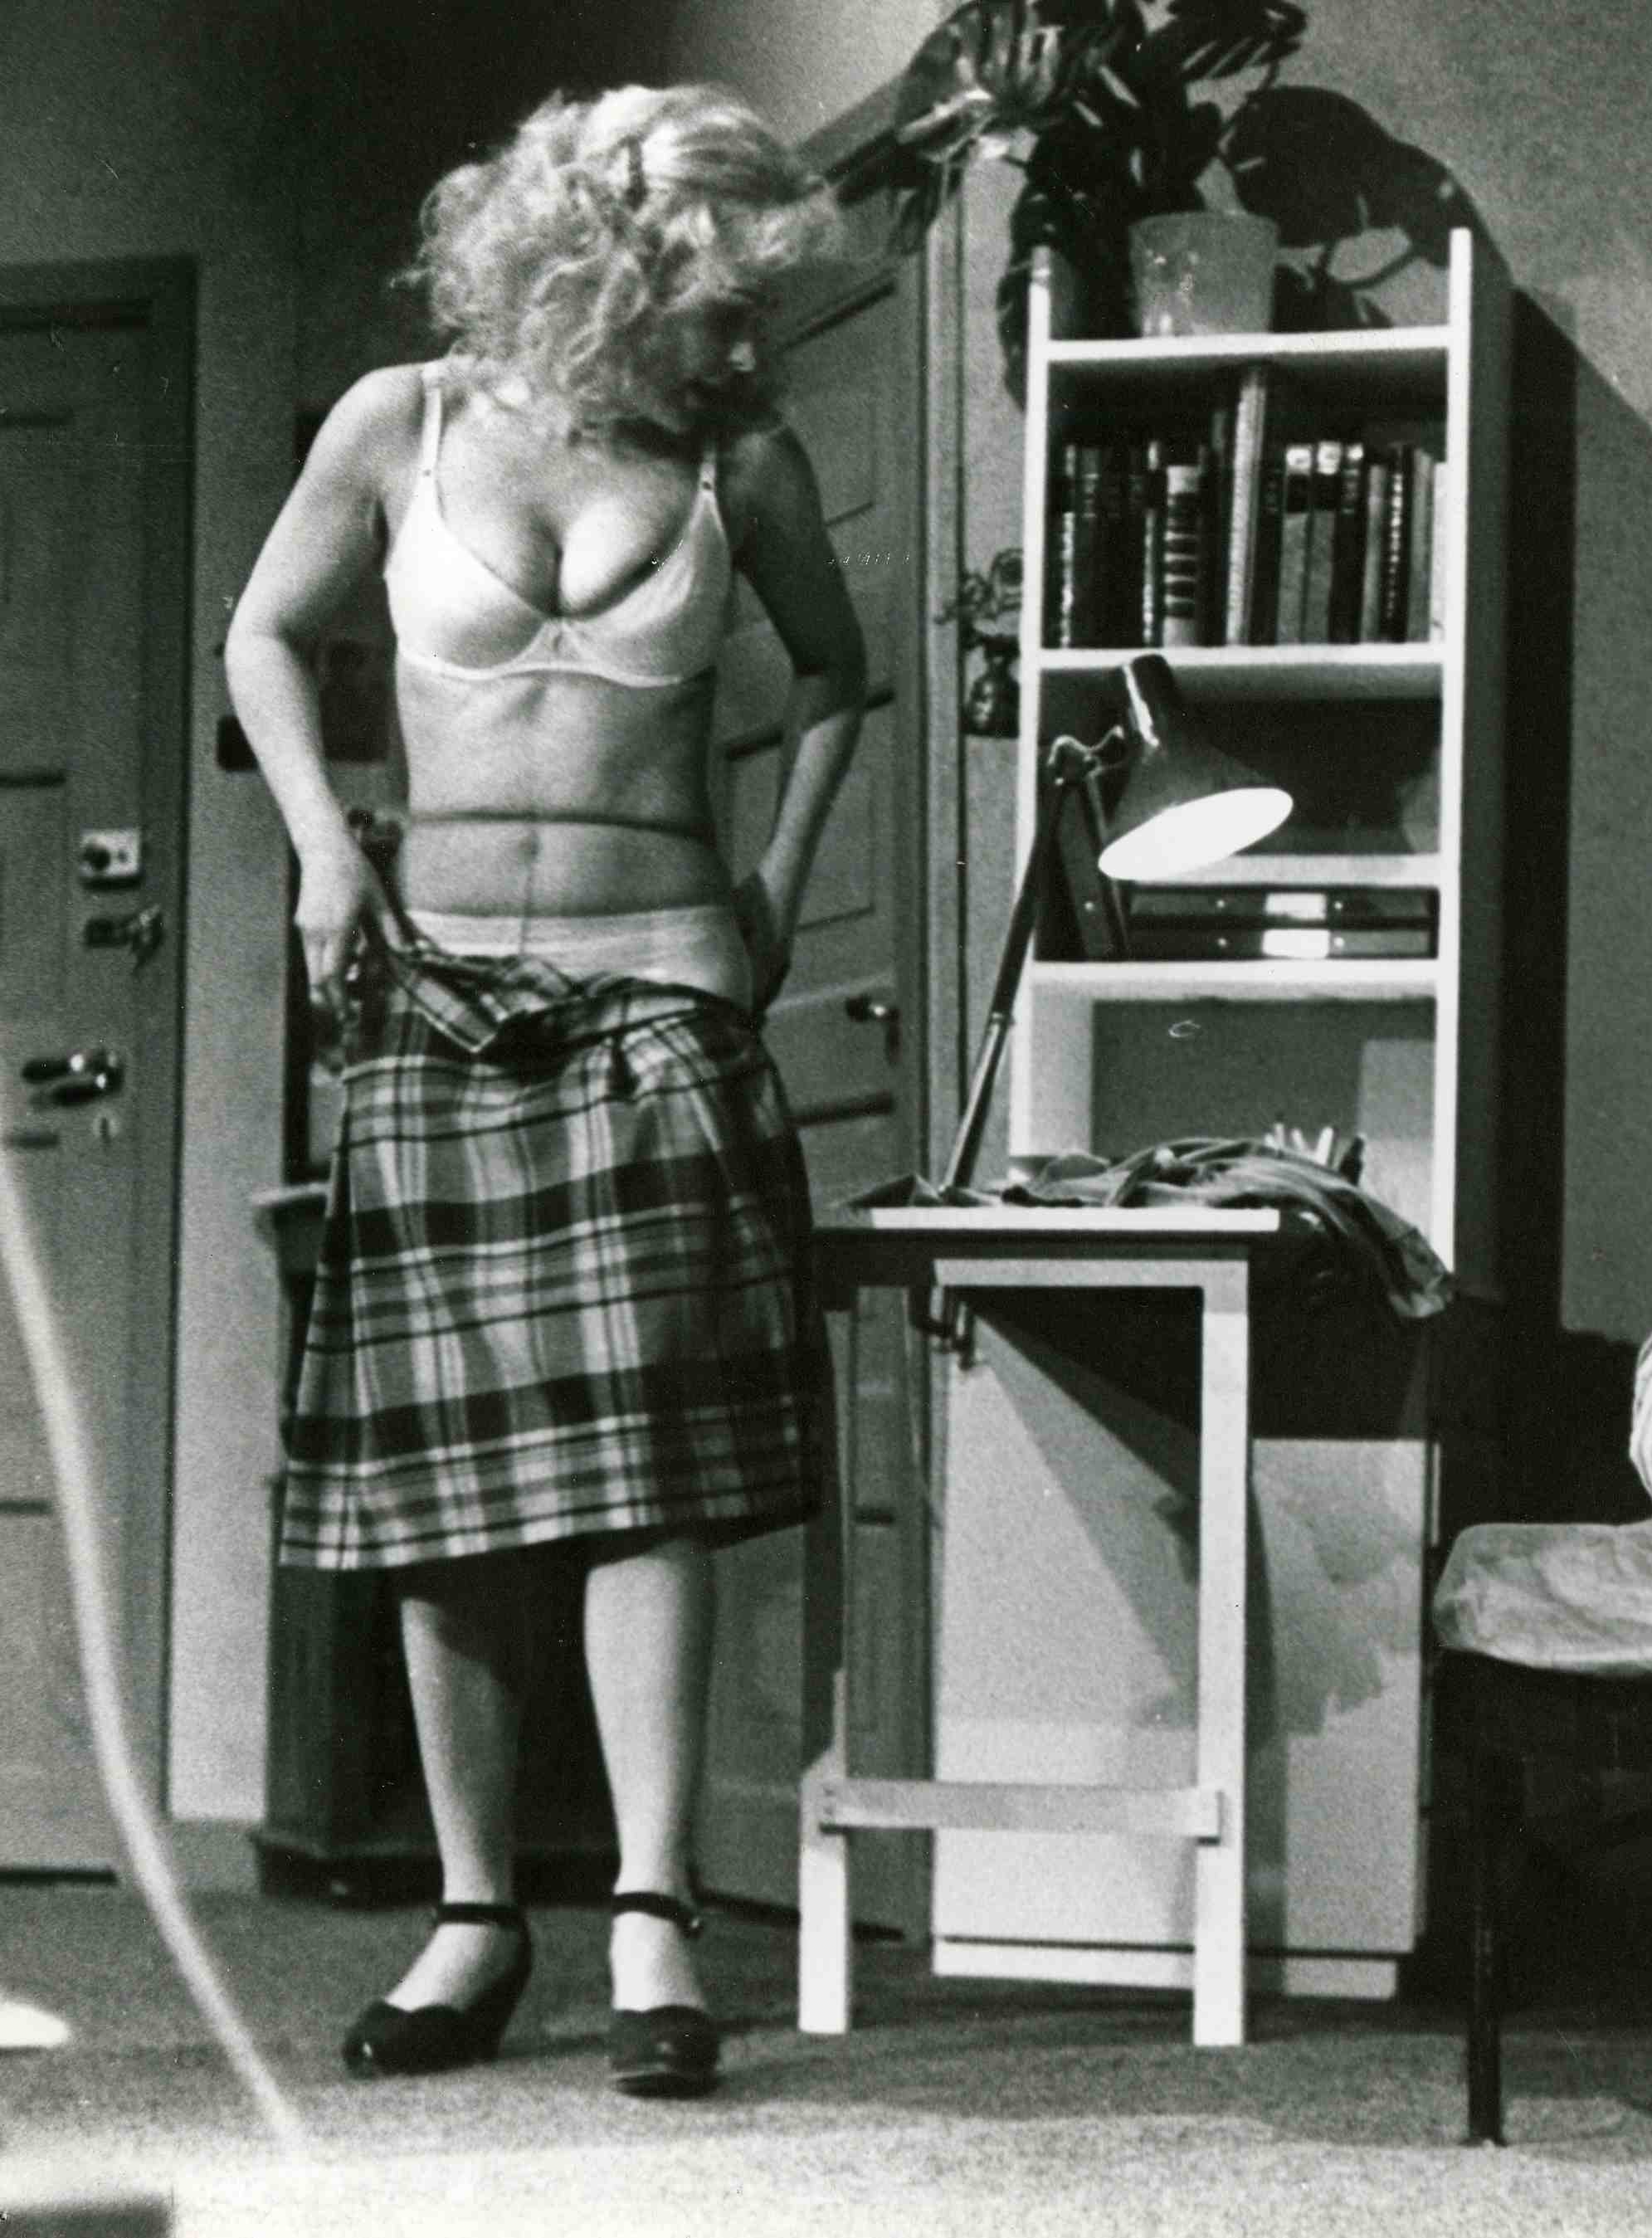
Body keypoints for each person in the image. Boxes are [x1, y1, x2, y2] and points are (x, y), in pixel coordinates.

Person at [226, 84, 867, 2099]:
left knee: (647, 1473)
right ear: (615, 267)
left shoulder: (739, 460)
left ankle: (653, 1909)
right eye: (720, 295)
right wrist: (323, 850)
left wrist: (777, 889)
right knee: (450, 1478)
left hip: (659, 977)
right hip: (432, 992)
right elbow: (264, 635)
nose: (743, 335)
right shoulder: (400, 422)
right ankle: (477, 1913)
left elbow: (835, 675)